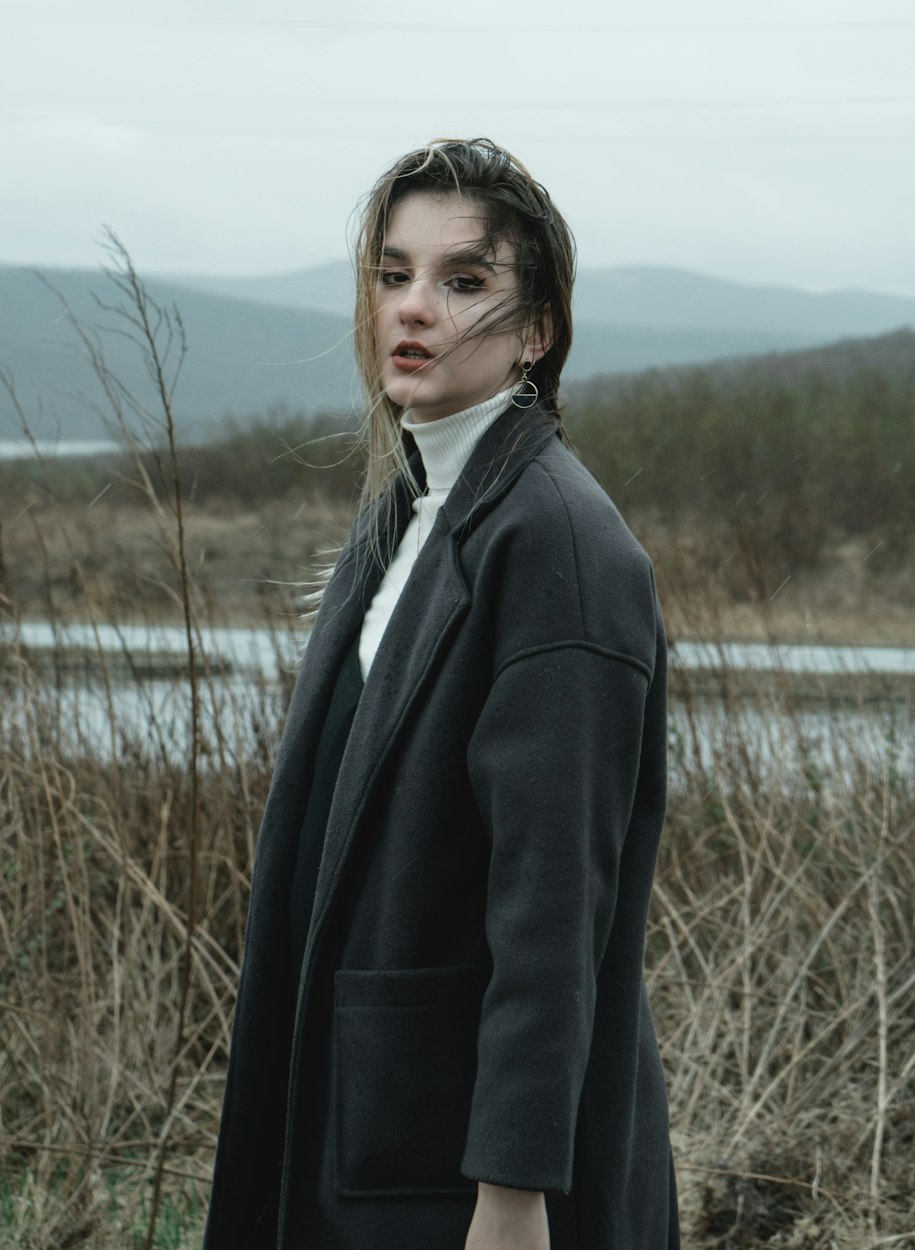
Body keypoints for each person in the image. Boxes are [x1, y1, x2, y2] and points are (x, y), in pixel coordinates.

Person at [203, 138, 681, 1250]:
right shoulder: (411, 504)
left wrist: (511, 1194)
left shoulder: (557, 546)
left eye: (463, 281)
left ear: (537, 328)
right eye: (392, 273)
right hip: (364, 1120)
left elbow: (555, 904)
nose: (413, 307)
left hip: (461, 1167)